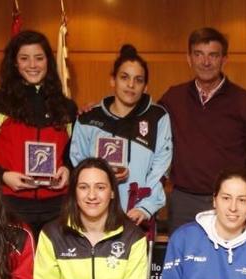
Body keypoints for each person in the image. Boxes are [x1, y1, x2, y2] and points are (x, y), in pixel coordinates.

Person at [0, 30, 77, 237]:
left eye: (39, 58)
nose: (33, 65)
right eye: (24, 58)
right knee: (13, 268)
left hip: (57, 208)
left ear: (48, 62)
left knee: (53, 269)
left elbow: (74, 155)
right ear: (15, 63)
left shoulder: (66, 107)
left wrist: (68, 170)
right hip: (10, 205)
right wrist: (3, 176)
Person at [160, 27, 246, 231]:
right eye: (198, 54)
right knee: (184, 259)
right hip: (184, 200)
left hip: (230, 201)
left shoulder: (245, 101)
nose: (205, 62)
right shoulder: (173, 98)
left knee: (231, 260)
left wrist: (236, 183)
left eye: (213, 55)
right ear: (189, 59)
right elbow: (146, 125)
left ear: (224, 59)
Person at [70, 44, 172, 231]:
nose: (131, 85)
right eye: (124, 77)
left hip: (137, 215)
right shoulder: (89, 118)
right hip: (94, 216)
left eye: (138, 80)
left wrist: (145, 207)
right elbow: (78, 169)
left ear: (145, 86)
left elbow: (160, 169)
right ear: (112, 80)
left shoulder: (157, 118)